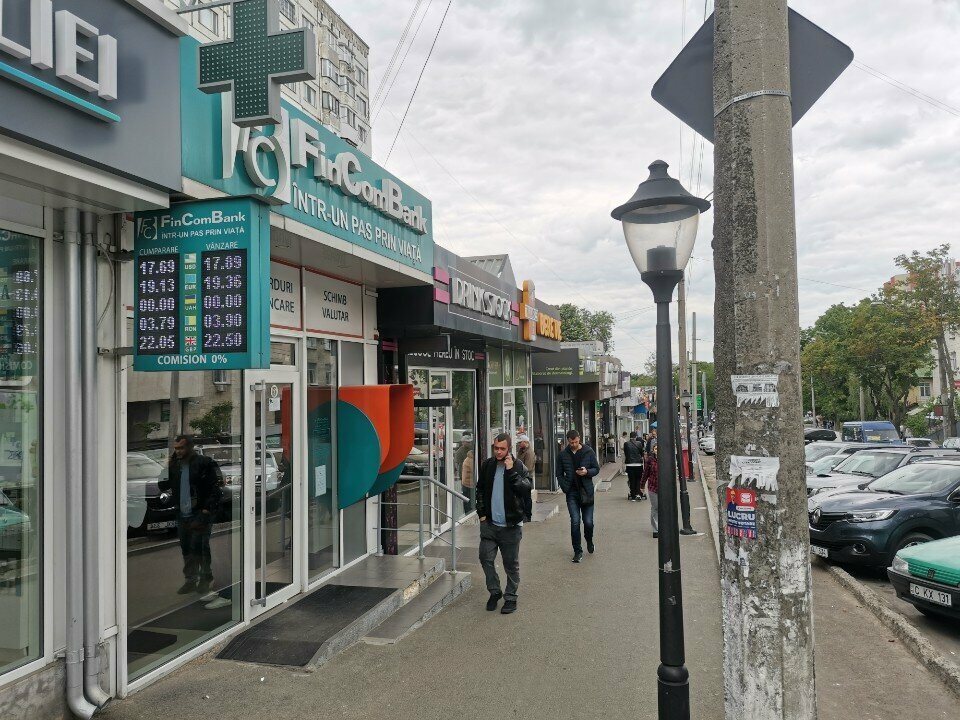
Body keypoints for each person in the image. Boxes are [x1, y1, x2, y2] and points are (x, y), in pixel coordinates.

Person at [159, 435, 224, 595]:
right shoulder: (175, 465)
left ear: (190, 447)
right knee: (186, 547)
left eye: (181, 448)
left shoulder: (205, 463)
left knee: (200, 546)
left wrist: (206, 510)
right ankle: (190, 579)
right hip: (182, 513)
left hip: (200, 512)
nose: (178, 451)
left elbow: (216, 488)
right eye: (176, 448)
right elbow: (162, 485)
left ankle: (205, 577)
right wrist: (165, 468)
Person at [476, 433, 532, 614]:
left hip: (511, 526)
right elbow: (480, 490)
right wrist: (482, 514)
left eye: (502, 449)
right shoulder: (488, 465)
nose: (498, 452)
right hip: (490, 525)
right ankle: (495, 591)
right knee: (485, 558)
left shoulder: (518, 466)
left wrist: (511, 472)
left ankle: (511, 597)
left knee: (510, 564)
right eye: (496, 448)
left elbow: (526, 489)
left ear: (509, 449)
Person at [555, 429, 600, 563]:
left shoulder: (588, 451)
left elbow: (596, 469)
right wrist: (565, 487)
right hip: (572, 493)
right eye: (571, 442)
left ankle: (589, 540)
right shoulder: (562, 455)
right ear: (568, 441)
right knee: (575, 521)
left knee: (588, 522)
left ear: (579, 438)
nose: (574, 444)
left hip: (587, 492)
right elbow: (559, 473)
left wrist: (587, 472)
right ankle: (577, 551)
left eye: (575, 442)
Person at [516, 434, 536, 521]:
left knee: (526, 498)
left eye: (520, 442)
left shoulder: (529, 452)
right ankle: (523, 515)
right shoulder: (521, 451)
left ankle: (527, 516)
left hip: (526, 478)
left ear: (525, 442)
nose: (519, 444)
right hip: (521, 477)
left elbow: (528, 468)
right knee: (522, 498)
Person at [643, 445, 660, 538]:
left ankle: (664, 527)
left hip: (664, 488)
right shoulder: (650, 460)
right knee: (655, 507)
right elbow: (645, 473)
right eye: (656, 448)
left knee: (664, 508)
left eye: (659, 448)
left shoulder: (666, 458)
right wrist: (642, 485)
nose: (657, 450)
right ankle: (656, 529)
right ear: (653, 450)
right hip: (653, 487)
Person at [624, 431, 646, 501]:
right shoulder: (639, 443)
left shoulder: (626, 444)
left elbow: (626, 453)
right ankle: (638, 494)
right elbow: (641, 453)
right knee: (638, 479)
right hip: (638, 464)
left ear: (629, 437)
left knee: (631, 479)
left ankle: (633, 495)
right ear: (636, 437)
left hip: (629, 464)